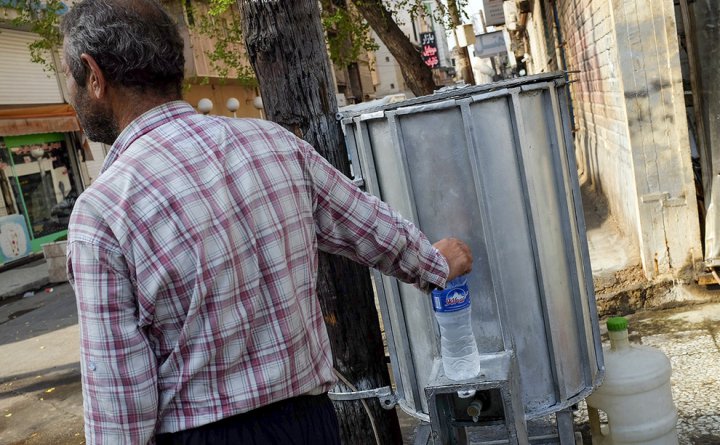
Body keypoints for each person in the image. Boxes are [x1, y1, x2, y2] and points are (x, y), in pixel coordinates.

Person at [61, 0, 473, 443]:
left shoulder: (103, 212)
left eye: (68, 76)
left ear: (94, 74)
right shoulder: (276, 145)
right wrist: (434, 264)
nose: (69, 91)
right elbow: (369, 227)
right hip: (311, 425)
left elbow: (120, 407)